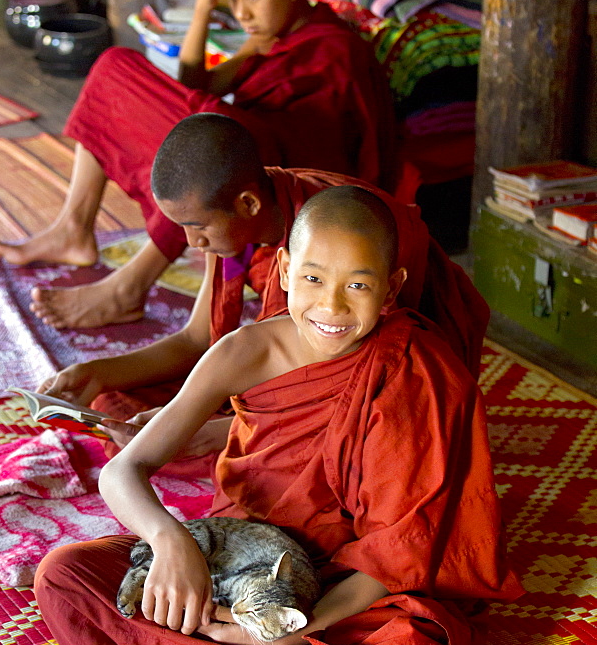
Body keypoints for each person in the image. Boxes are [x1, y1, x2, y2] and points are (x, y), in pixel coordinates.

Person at [35, 186, 522, 645]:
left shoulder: (417, 369)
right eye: (314, 279)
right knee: (62, 575)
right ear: (286, 271)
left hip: (344, 591)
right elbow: (123, 469)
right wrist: (170, 542)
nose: (333, 307)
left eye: (358, 286)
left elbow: (398, 552)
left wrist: (292, 636)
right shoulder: (244, 352)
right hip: (234, 566)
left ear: (391, 288)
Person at [0, 0, 395, 330]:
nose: (243, 14)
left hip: (286, 172)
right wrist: (204, 4)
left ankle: (129, 286)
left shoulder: (336, 47)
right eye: (233, 0)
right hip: (255, 144)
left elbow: (335, 150)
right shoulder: (269, 38)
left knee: (214, 133)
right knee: (115, 67)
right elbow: (192, 84)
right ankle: (72, 227)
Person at [36, 114, 489, 451]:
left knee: (211, 442)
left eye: (198, 228)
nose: (191, 243)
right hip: (323, 362)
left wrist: (212, 432)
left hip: (389, 384)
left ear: (248, 203)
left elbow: (357, 379)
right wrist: (97, 372)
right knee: (121, 402)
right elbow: (199, 338)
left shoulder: (330, 241)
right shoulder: (238, 230)